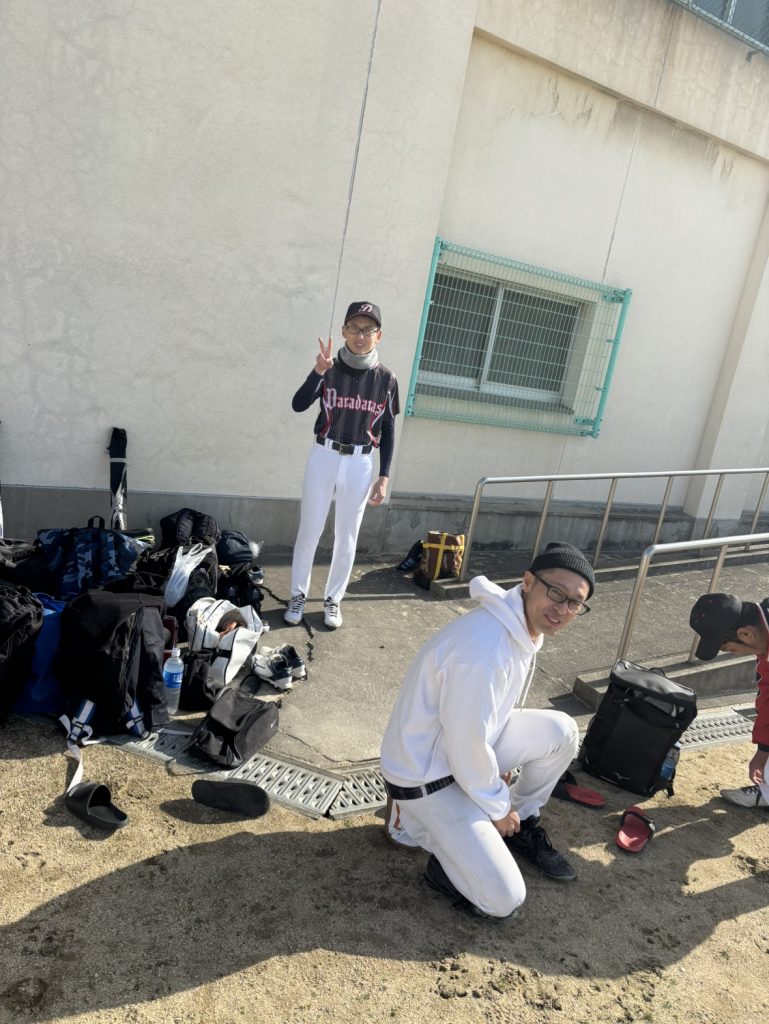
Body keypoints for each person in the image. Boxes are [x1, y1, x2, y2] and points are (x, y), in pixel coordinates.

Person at [380, 542, 595, 919]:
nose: (562, 609)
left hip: (451, 752)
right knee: (504, 900)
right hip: (424, 776)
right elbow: (466, 745)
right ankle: (436, 851)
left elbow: (477, 729)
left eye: (575, 603)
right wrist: (496, 805)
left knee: (562, 730)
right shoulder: (486, 649)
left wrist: (497, 785)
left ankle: (522, 821)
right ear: (528, 582)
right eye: (555, 592)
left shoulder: (518, 625)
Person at [284, 301, 399, 630]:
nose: (361, 336)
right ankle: (297, 595)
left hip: (361, 461)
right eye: (354, 328)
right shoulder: (329, 369)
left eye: (368, 330)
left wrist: (384, 475)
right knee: (310, 529)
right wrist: (317, 371)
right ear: (344, 331)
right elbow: (298, 404)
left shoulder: (386, 379)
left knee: (347, 535)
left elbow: (388, 428)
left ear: (378, 335)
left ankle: (333, 599)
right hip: (325, 454)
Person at [689, 592, 769, 809]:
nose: (735, 654)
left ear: (746, 634)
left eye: (732, 649)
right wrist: (764, 749)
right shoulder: (763, 638)